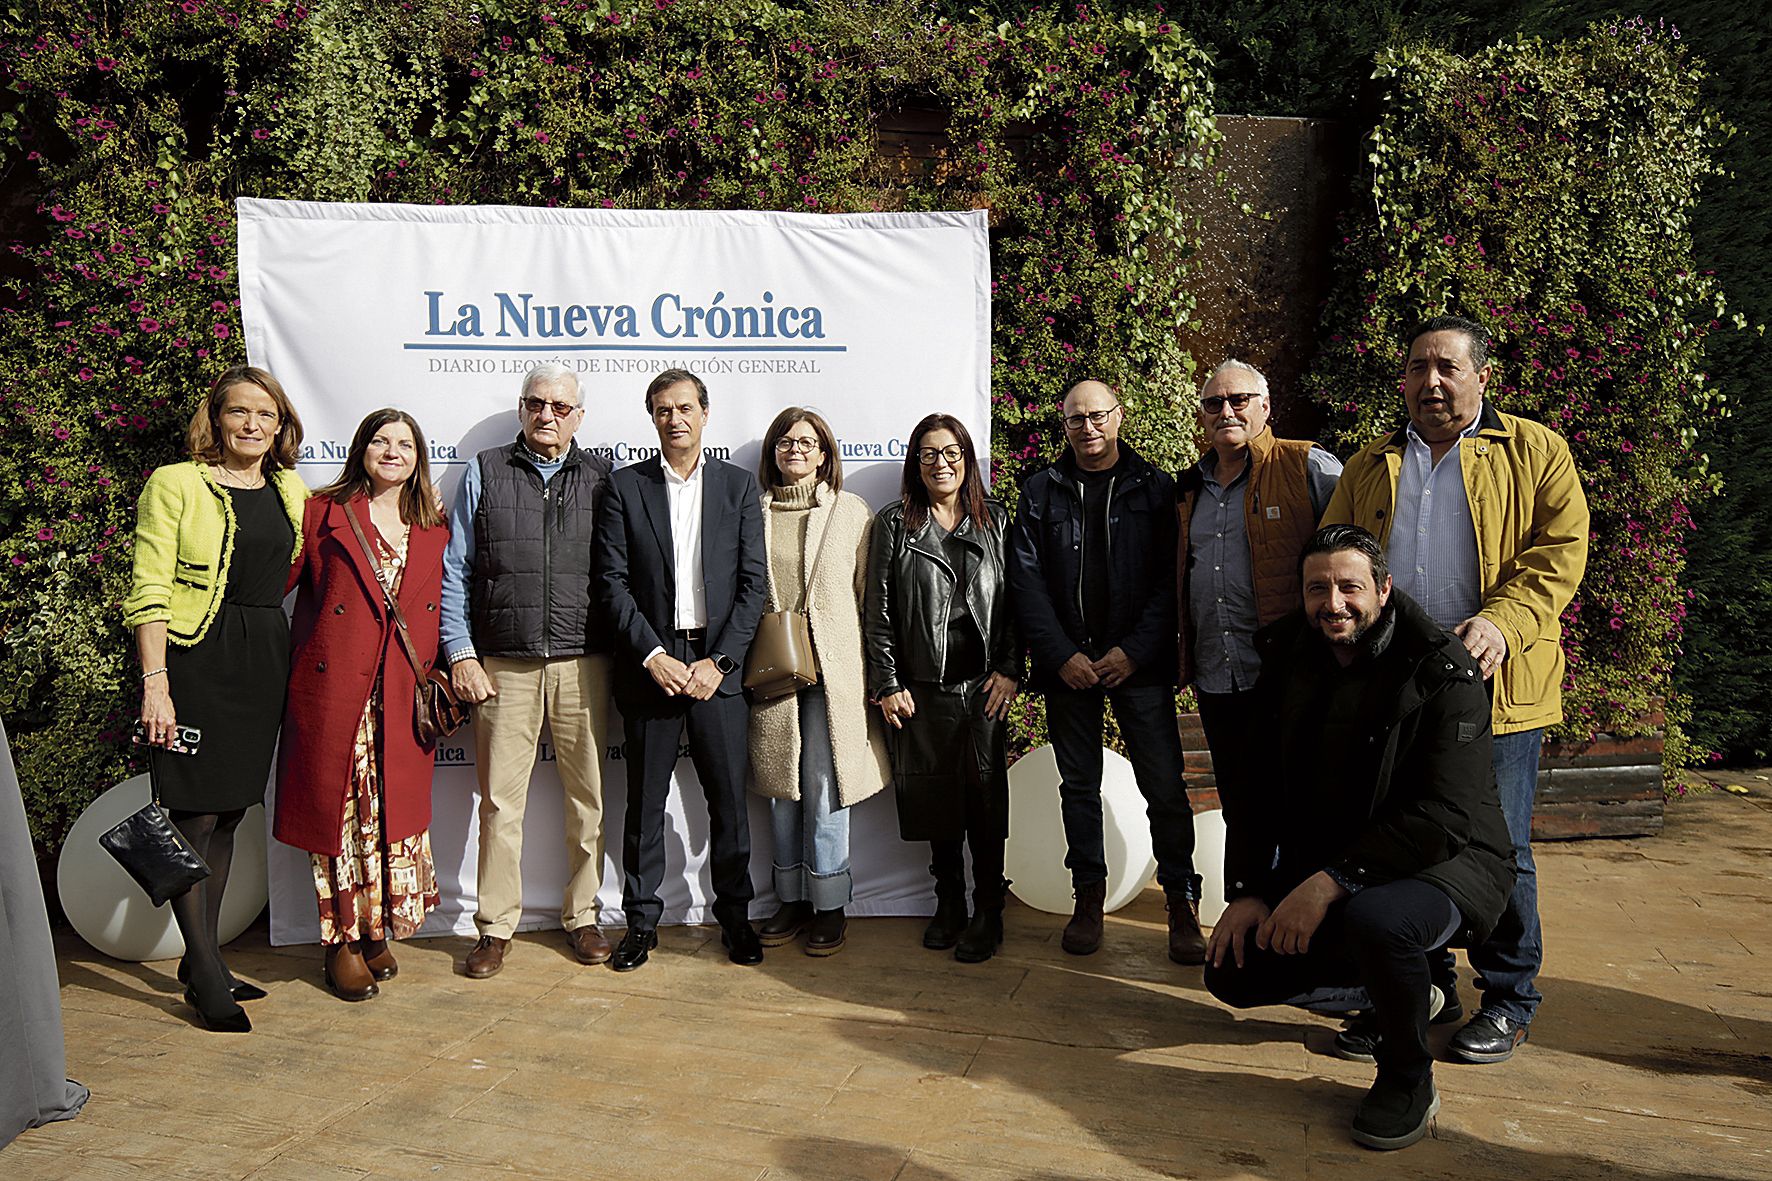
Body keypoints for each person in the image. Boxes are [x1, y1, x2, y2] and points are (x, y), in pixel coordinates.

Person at [1320, 315, 1589, 1064]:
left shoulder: (1536, 450)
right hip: (1394, 692)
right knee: (1399, 842)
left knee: (1497, 846)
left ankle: (1509, 996)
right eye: (1417, 368)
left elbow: (1560, 554)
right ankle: (1420, 986)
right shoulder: (1372, 461)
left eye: (1446, 366)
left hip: (1496, 687)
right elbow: (1340, 555)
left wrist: (1504, 622)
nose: (1429, 381)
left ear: (1482, 376)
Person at [1204, 525, 1515, 1151]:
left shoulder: (1443, 671)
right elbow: (1254, 790)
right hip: (1343, 857)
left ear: (1384, 588)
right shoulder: (1290, 655)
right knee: (1233, 972)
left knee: (1380, 921)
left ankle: (1407, 1076)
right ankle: (1406, 988)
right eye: (1318, 588)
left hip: (1450, 862)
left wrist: (1329, 883)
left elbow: (1445, 814)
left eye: (1350, 586)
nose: (1334, 603)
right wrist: (1249, 889)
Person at [124, 364, 308, 1033]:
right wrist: (157, 682)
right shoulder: (175, 483)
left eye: (266, 414)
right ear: (217, 417)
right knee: (192, 814)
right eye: (240, 412)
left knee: (229, 813)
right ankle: (201, 968)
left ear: (280, 424)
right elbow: (148, 587)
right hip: (196, 656)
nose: (253, 425)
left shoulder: (291, 489)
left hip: (263, 657)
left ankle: (204, 956)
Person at [1007, 379, 1202, 963]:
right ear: (1062, 424)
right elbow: (1026, 582)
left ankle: (1179, 902)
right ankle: (1087, 896)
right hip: (1068, 668)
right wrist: (1060, 654)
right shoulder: (1040, 491)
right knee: (1079, 789)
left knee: (1165, 789)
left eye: (1098, 415)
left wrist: (1134, 652)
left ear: (1119, 416)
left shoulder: (1155, 488)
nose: (1087, 427)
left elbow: (1171, 581)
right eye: (1075, 418)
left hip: (1136, 668)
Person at [440, 363, 614, 979]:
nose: (548, 416)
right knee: (499, 805)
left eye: (561, 407)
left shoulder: (603, 476)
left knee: (587, 801)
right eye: (537, 404)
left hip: (583, 662)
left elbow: (617, 575)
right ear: (521, 408)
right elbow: (455, 568)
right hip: (502, 666)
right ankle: (494, 928)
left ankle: (584, 914)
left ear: (579, 416)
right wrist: (460, 652)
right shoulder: (485, 470)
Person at [595, 369, 768, 971]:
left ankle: (737, 920)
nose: (676, 419)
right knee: (643, 803)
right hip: (652, 661)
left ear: (705, 413)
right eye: (663, 410)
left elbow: (754, 587)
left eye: (686, 407)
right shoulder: (624, 487)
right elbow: (611, 585)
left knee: (728, 803)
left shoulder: (738, 487)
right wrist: (653, 655)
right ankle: (641, 923)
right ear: (652, 418)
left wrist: (719, 663)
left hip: (718, 662)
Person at [276, 409, 448, 1001]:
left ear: (419, 457)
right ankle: (339, 943)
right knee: (341, 821)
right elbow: (274, 584)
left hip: (399, 699)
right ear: (362, 448)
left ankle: (377, 928)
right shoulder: (323, 513)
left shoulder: (435, 526)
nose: (393, 451)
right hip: (333, 697)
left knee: (388, 822)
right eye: (381, 440)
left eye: (405, 443)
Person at [1177, 360, 1341, 946]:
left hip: (1295, 673)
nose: (1228, 412)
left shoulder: (1308, 465)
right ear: (1202, 415)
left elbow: (1354, 559)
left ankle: (1311, 929)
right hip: (1219, 673)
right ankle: (1249, 920)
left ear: (1265, 406)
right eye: (1215, 403)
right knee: (1241, 800)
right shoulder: (1189, 486)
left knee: (1305, 800)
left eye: (1239, 400)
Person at [864, 414, 1020, 962]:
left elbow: (1017, 603)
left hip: (983, 686)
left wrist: (1010, 667)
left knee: (984, 798)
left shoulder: (997, 520)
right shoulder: (894, 524)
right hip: (922, 687)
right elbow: (878, 613)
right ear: (915, 462)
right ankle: (949, 901)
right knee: (935, 799)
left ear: (967, 458)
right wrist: (886, 682)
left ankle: (989, 911)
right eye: (928, 454)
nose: (941, 463)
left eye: (951, 452)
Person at [749, 408, 891, 956]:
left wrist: (880, 677)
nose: (796, 450)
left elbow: (869, 600)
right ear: (772, 452)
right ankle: (790, 898)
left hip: (836, 676)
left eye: (808, 442)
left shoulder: (851, 513)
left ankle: (830, 905)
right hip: (773, 669)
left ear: (827, 452)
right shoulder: (750, 512)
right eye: (785, 441)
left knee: (826, 788)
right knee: (782, 789)